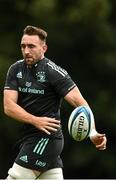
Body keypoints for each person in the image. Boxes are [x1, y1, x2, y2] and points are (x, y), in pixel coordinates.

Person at [3, 25, 107, 180]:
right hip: (29, 138)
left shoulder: (54, 72)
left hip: (46, 139)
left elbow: (81, 104)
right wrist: (35, 120)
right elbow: (8, 107)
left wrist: (92, 131)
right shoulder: (15, 69)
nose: (26, 51)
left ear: (44, 48)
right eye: (23, 46)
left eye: (31, 46)